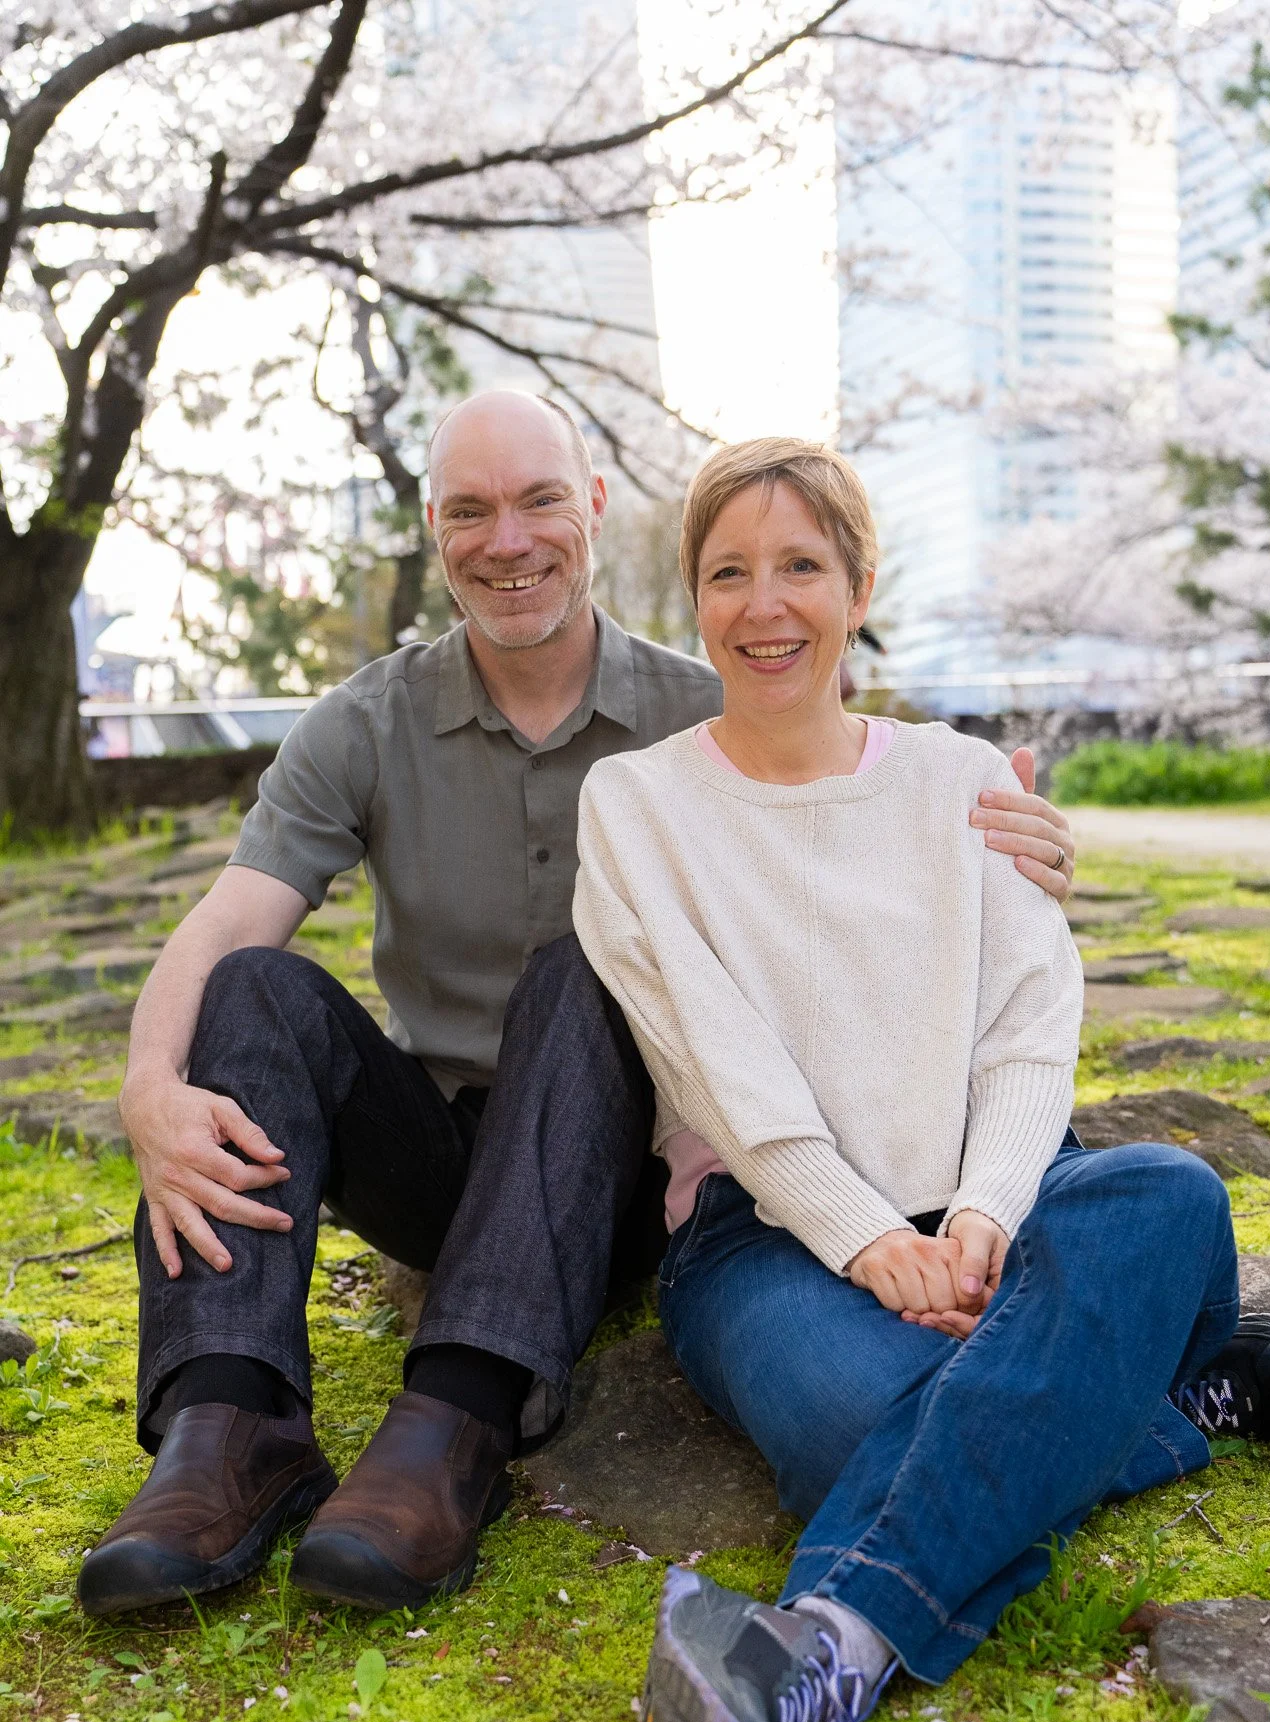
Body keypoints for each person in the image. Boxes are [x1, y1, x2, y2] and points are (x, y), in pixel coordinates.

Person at [76, 391, 1081, 1622]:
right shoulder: (367, 719)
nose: (510, 539)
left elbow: (857, 801)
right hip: (447, 1159)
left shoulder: (707, 701)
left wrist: (998, 834)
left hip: (626, 1177)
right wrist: (147, 1087)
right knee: (252, 991)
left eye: (541, 498)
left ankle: (461, 1408)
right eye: (472, 510)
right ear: (434, 527)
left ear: (594, 507)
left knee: (583, 965)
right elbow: (233, 914)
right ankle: (230, 1418)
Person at [571, 436, 1270, 1722]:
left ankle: (823, 1650)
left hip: (1001, 1196)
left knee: (1162, 1194)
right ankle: (1165, 1408)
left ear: (860, 584)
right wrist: (869, 1238)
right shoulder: (638, 806)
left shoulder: (957, 778)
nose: (765, 605)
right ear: (693, 600)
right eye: (728, 572)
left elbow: (1029, 1023)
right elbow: (715, 1061)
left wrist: (982, 1212)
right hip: (769, 1231)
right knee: (855, 1417)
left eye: (801, 565)